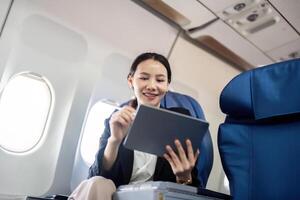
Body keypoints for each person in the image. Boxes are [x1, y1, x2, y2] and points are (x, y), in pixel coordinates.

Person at [69, 52, 201, 200]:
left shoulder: (180, 121)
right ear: (131, 81)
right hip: (116, 196)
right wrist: (114, 140)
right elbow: (95, 180)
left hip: (157, 196)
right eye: (144, 78)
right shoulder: (116, 121)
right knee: (98, 183)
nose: (152, 86)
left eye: (160, 80)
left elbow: (192, 189)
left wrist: (183, 177)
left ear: (167, 85)